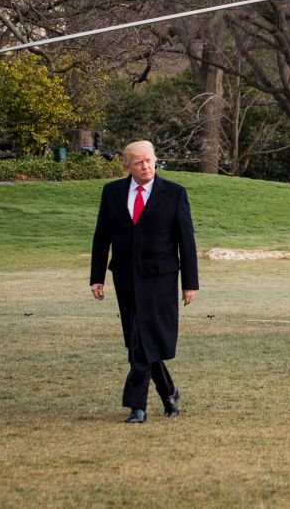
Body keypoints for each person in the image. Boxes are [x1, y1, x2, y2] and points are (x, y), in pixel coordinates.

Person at [90, 140, 199, 423]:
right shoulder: (112, 192)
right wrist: (97, 278)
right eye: (139, 162)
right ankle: (169, 392)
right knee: (139, 340)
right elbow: (102, 237)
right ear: (127, 166)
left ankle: (136, 405)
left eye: (149, 160)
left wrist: (190, 283)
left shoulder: (174, 193)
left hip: (160, 279)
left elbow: (186, 241)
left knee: (142, 339)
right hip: (125, 278)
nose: (146, 166)